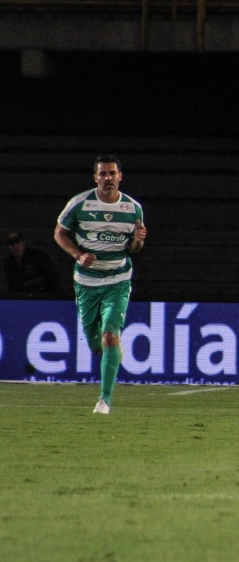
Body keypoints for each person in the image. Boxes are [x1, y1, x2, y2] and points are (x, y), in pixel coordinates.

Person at [53, 155, 147, 416]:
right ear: (95, 178)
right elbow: (59, 233)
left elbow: (134, 249)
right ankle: (108, 351)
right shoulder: (80, 204)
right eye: (103, 174)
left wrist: (138, 240)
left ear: (120, 176)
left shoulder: (133, 208)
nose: (108, 178)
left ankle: (104, 400)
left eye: (112, 173)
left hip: (118, 280)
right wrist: (78, 255)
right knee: (96, 344)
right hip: (87, 281)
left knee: (109, 336)